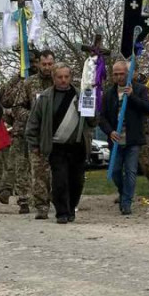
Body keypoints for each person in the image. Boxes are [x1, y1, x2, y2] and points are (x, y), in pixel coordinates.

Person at [25, 64, 93, 224]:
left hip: (77, 146)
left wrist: (90, 108)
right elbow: (34, 122)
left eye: (66, 77)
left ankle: (71, 208)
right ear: (54, 78)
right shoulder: (45, 98)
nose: (63, 80)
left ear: (71, 77)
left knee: (76, 181)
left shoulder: (82, 95)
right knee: (59, 180)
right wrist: (34, 144)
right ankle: (61, 212)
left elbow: (93, 121)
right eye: (59, 77)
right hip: (56, 147)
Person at [0, 50, 56, 217]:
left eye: (49, 64)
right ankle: (24, 199)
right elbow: (14, 105)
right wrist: (34, 118)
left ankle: (52, 198)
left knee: (51, 168)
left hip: (54, 133)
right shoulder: (28, 82)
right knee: (24, 166)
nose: (46, 67)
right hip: (27, 132)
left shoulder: (58, 81)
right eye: (43, 64)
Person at [98, 60, 149, 216]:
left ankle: (127, 202)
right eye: (115, 74)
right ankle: (123, 192)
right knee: (115, 171)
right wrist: (110, 132)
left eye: (121, 73)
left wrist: (133, 97)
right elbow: (101, 118)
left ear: (128, 73)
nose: (118, 77)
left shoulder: (141, 90)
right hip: (116, 140)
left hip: (133, 140)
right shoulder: (109, 94)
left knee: (130, 171)